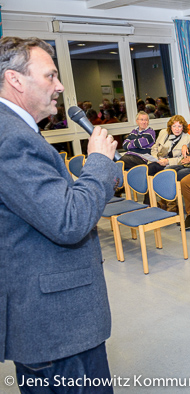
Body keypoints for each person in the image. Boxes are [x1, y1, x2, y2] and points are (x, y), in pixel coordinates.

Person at [0, 36, 119, 391]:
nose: (61, 86)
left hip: (40, 309)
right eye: (51, 76)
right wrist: (98, 161)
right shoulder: (12, 139)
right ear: (16, 80)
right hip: (56, 323)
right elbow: (69, 221)